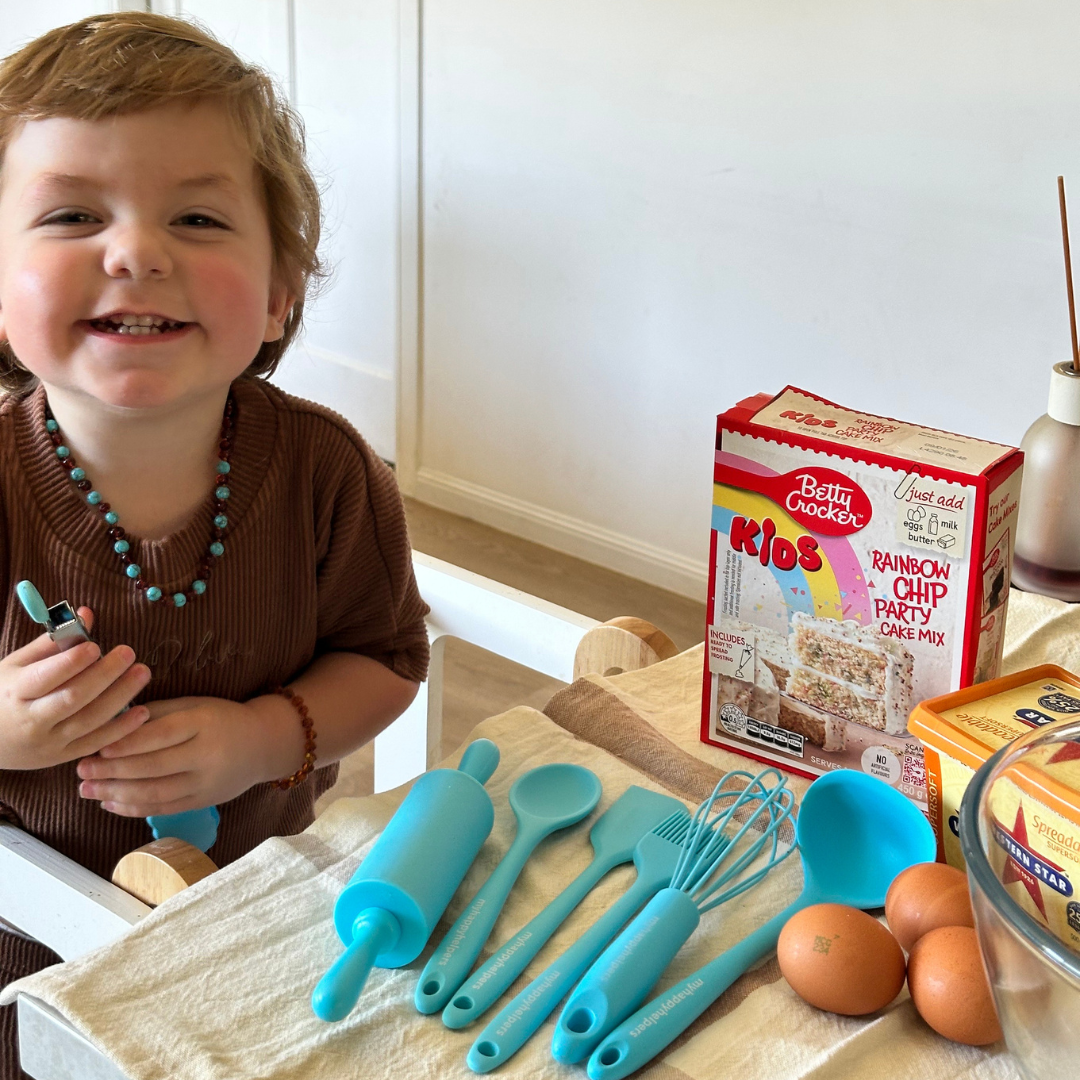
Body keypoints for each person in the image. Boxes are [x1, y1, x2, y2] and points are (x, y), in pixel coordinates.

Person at [0, 13, 429, 1075]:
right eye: (70, 214)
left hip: (266, 913)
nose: (137, 250)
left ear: (282, 289)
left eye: (196, 216)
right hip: (25, 946)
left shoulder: (330, 469)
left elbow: (385, 664)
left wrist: (265, 738)